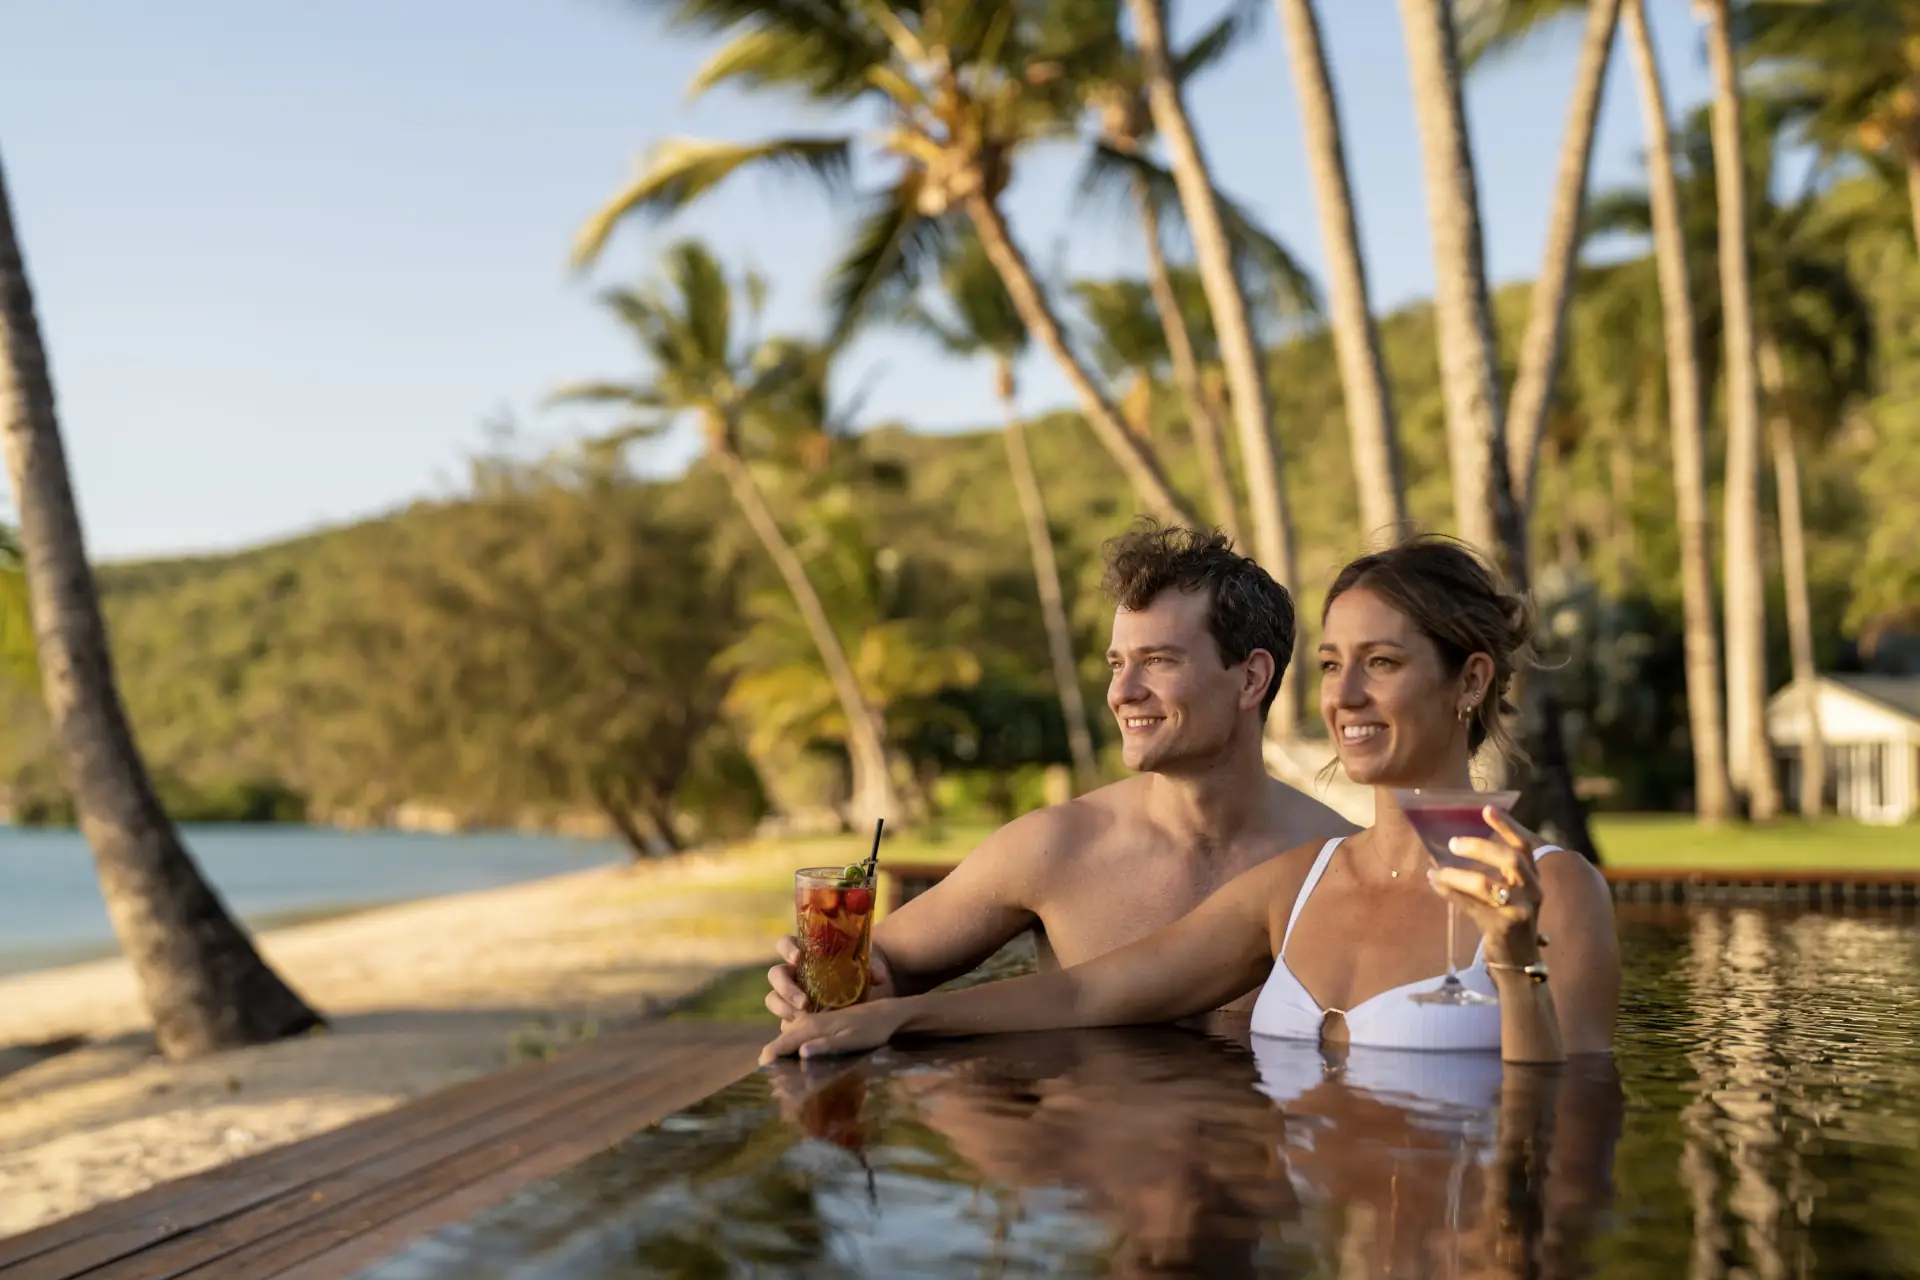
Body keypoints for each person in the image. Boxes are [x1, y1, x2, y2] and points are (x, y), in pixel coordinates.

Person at [762, 535, 1620, 1064]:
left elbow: (1576, 1119)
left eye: (1382, 663)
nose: (1345, 695)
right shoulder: (1299, 882)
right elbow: (1087, 994)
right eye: (1331, 665)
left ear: (1469, 681)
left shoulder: (1560, 890)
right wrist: (893, 1017)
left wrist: (1516, 964)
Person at [764, 524, 1359, 1023]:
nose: (1122, 693)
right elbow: (883, 968)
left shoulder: (1339, 864)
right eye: (1117, 664)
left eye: (1157, 660)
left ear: (1251, 678)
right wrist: (814, 986)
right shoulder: (1059, 846)